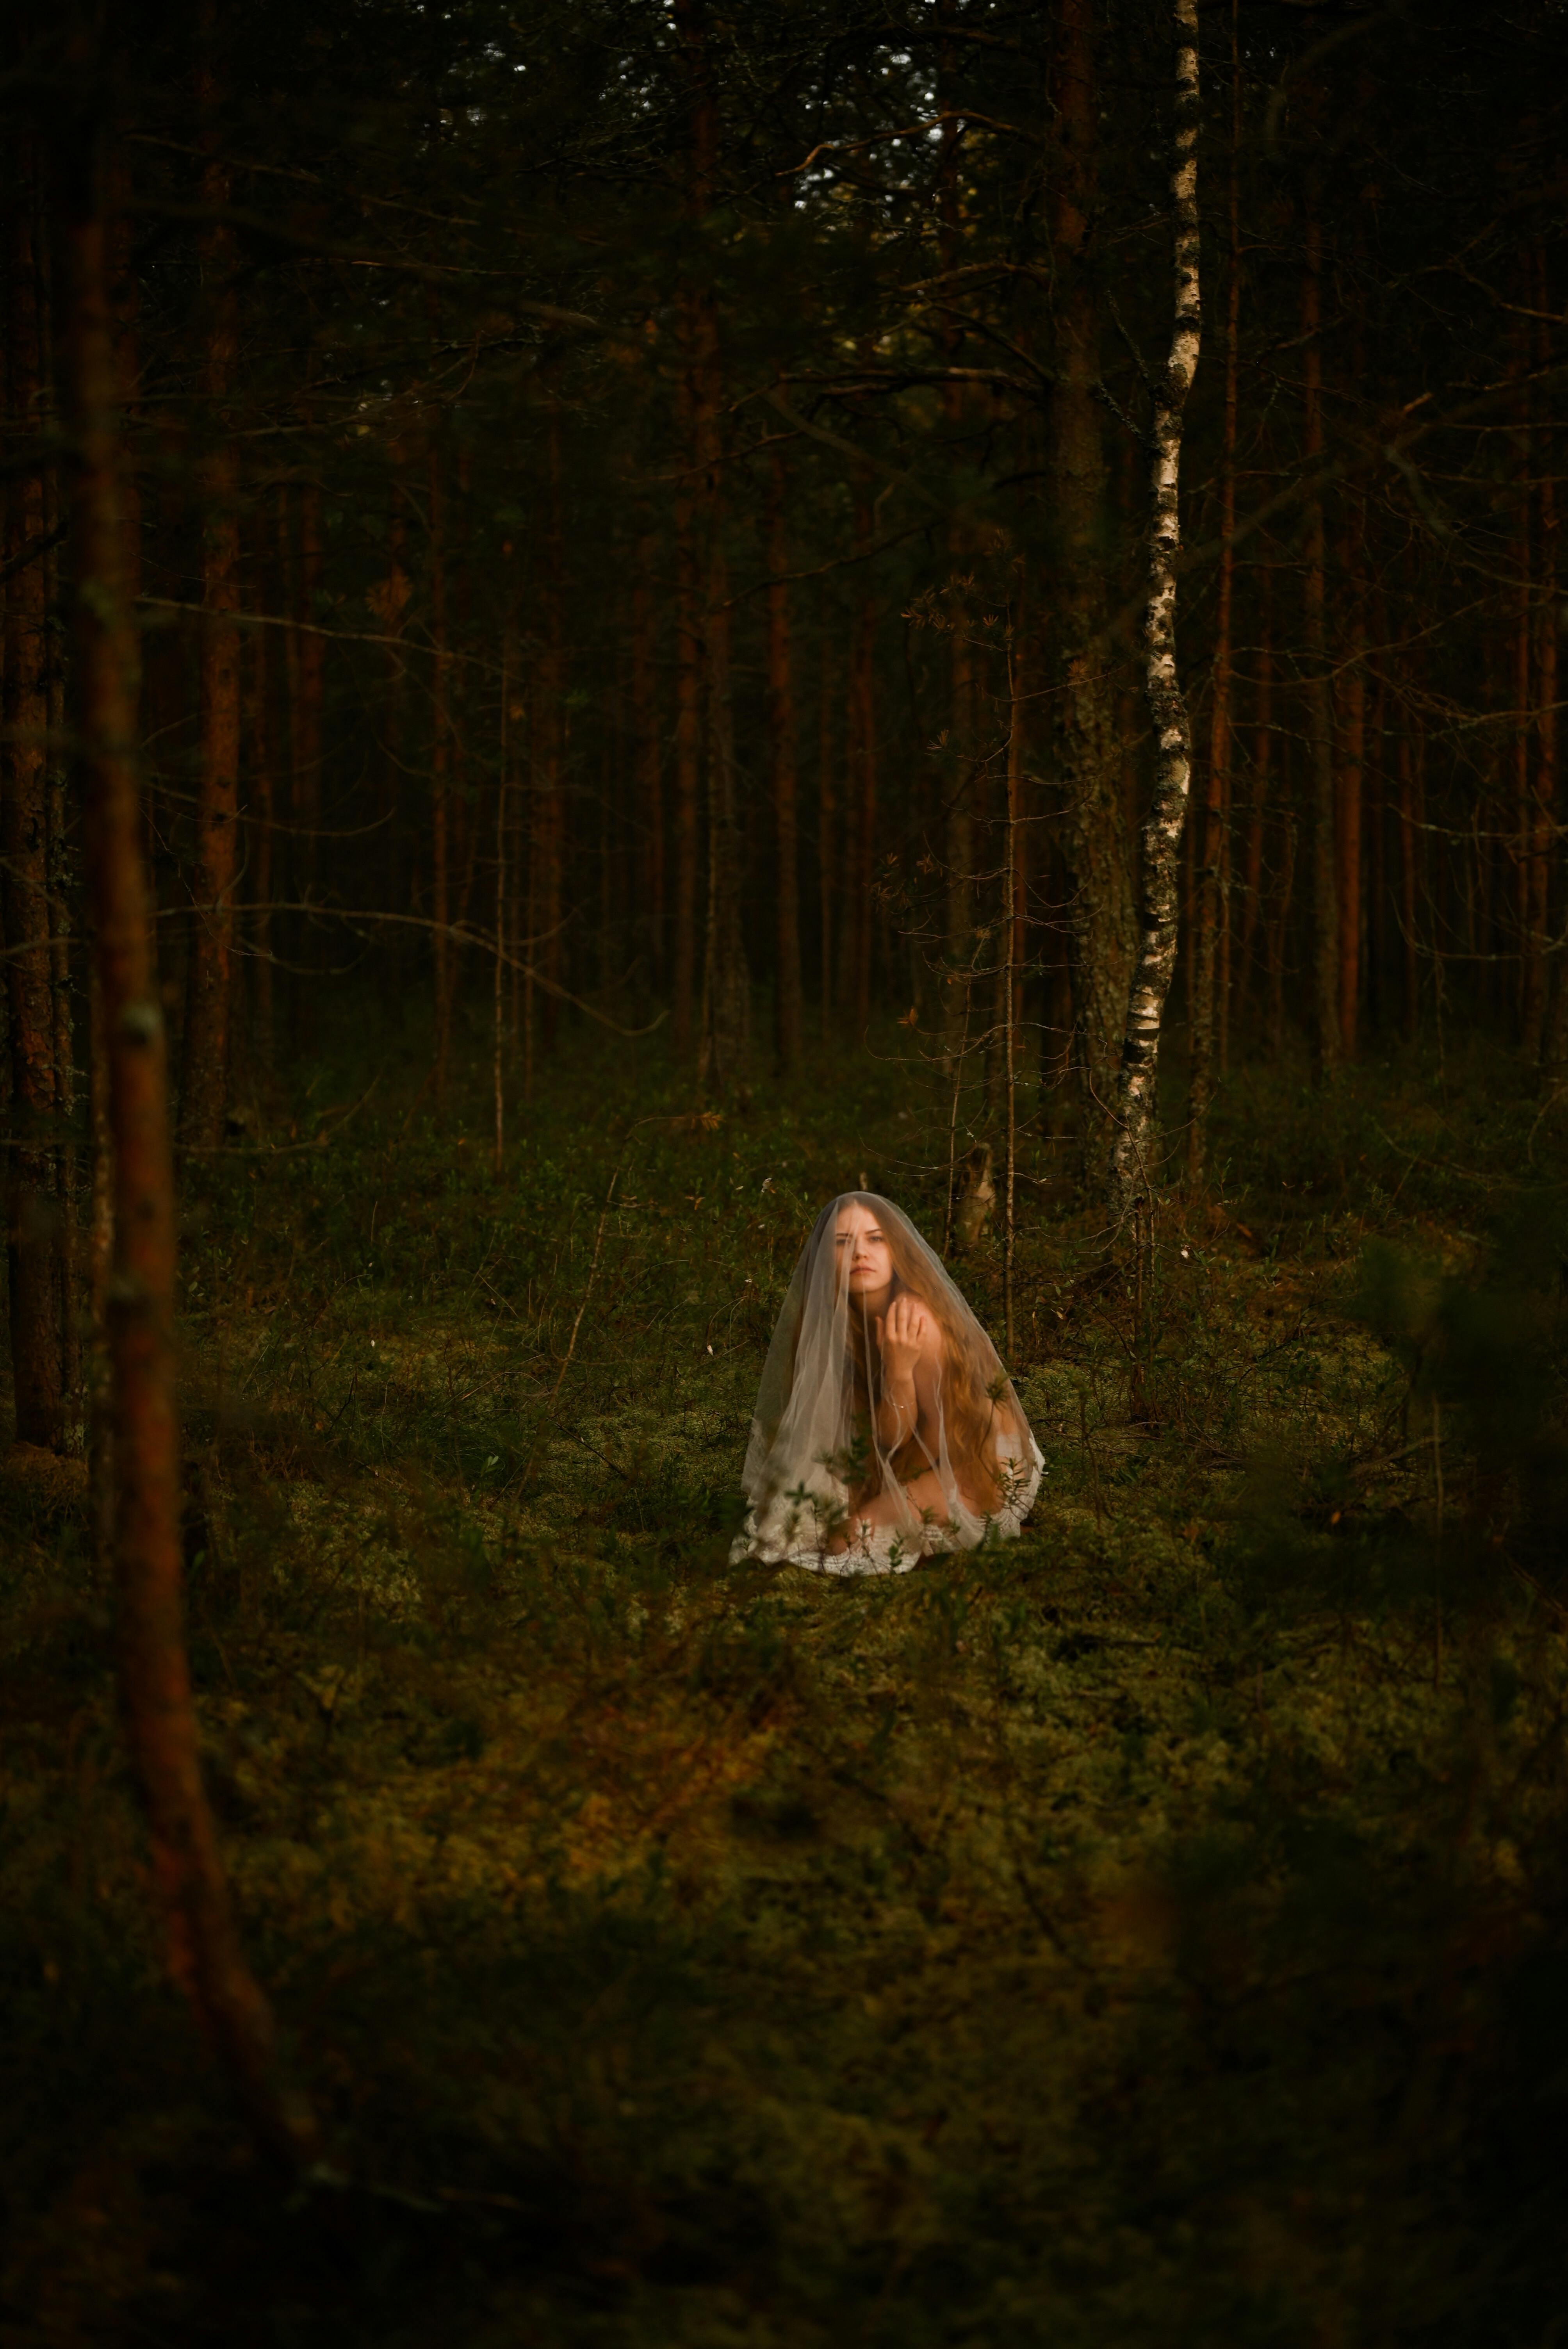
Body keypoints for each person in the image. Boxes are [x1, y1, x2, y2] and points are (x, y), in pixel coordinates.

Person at [734, 1192, 1043, 1574]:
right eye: (843, 1242)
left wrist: (898, 1373)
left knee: (844, 1541)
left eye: (874, 1239)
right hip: (912, 1449)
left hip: (976, 1456)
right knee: (801, 1520)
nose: (859, 1253)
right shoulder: (843, 1323)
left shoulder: (918, 1321)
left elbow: (943, 1438)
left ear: (896, 1250)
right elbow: (872, 1430)